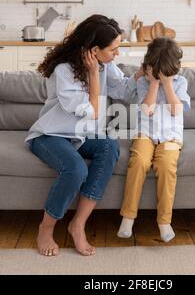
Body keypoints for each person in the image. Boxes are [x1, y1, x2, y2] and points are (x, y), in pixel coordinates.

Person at [25, 14, 144, 256]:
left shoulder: (105, 64)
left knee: (109, 147)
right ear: (94, 50)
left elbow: (121, 89)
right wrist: (92, 74)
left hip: (80, 136)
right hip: (50, 135)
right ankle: (45, 229)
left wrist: (142, 73)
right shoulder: (64, 71)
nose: (117, 54)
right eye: (114, 49)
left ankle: (77, 224)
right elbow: (93, 112)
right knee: (76, 169)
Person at [117, 37, 191, 243]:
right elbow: (147, 110)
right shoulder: (143, 82)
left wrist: (167, 84)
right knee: (139, 162)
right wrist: (154, 83)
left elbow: (176, 110)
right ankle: (128, 217)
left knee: (167, 165)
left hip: (170, 137)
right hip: (145, 134)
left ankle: (164, 221)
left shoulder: (180, 82)